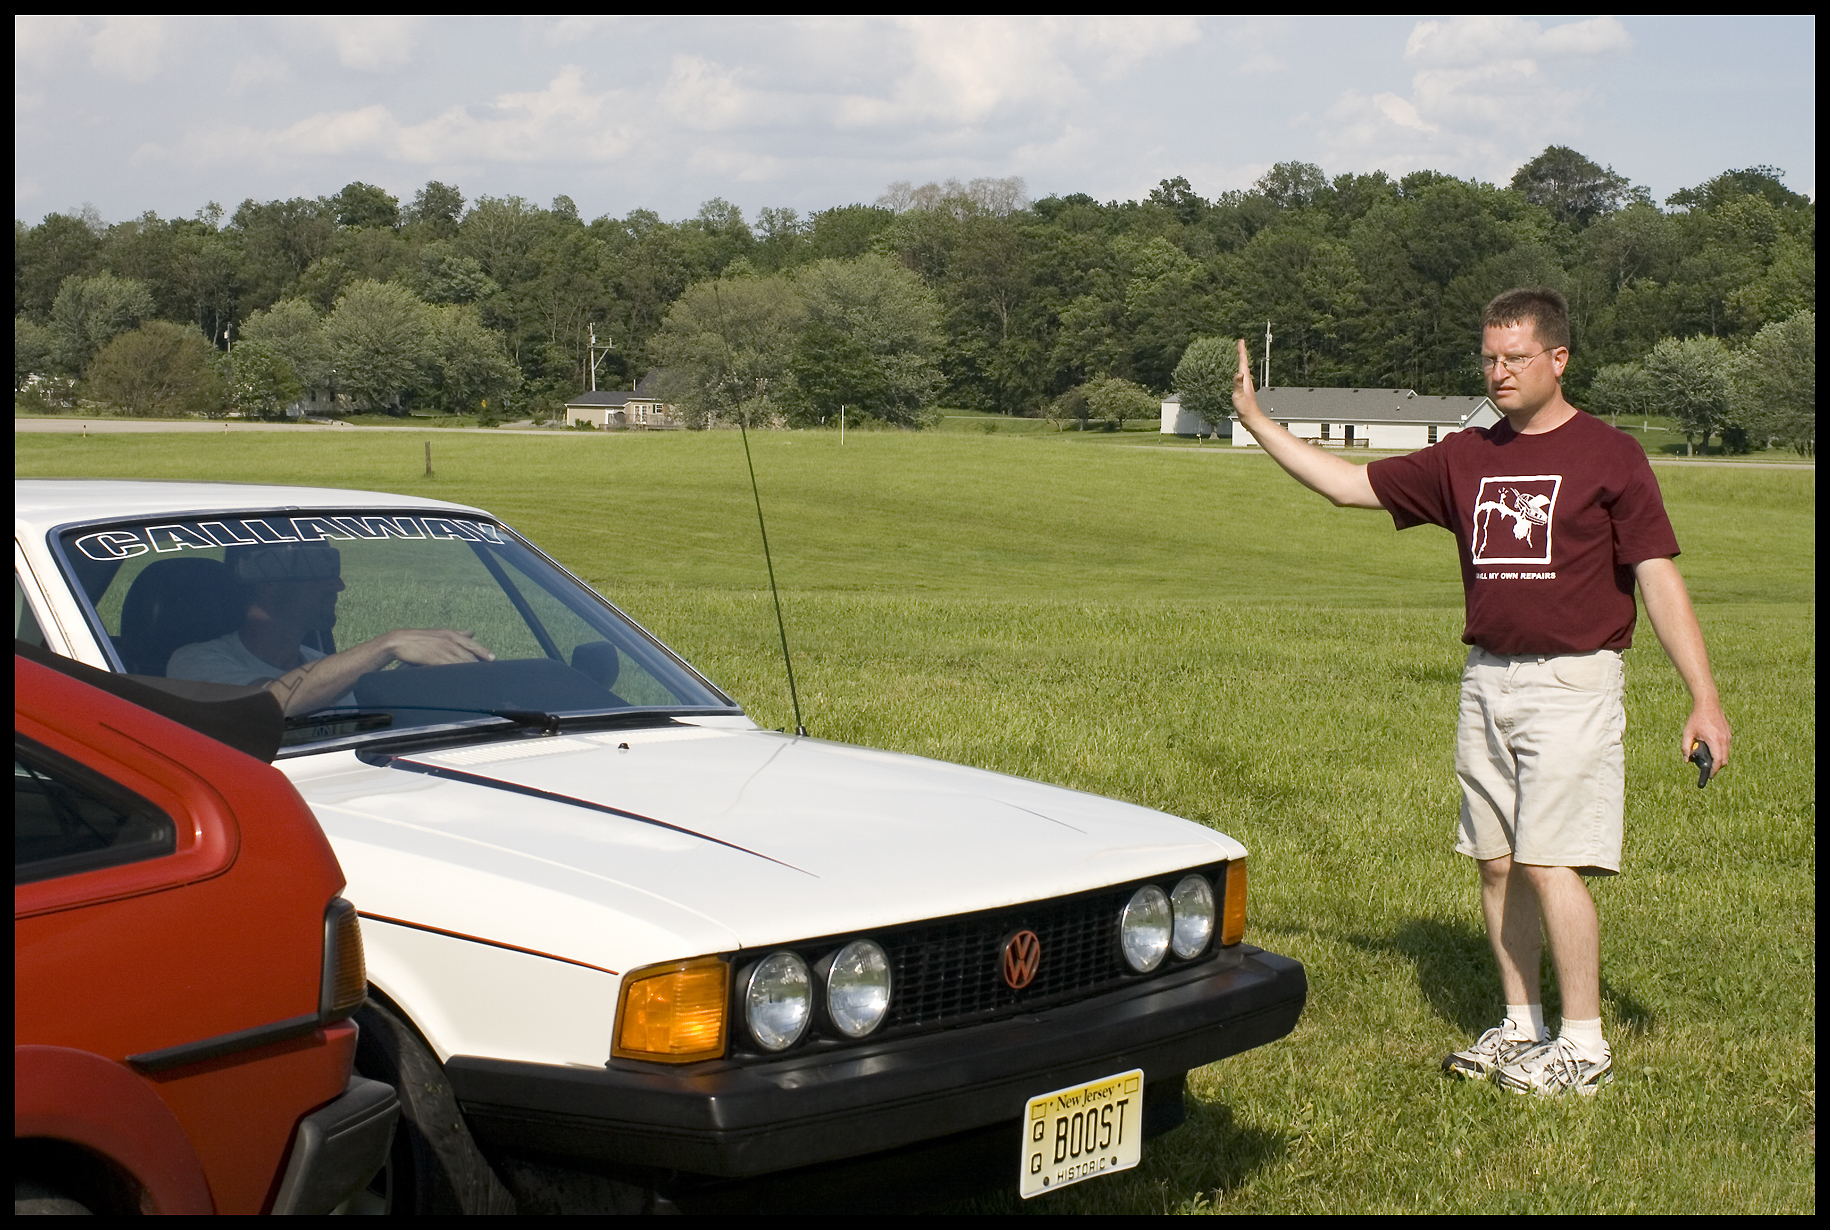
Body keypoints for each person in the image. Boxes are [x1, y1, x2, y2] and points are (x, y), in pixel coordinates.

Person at [1230, 287, 1731, 1097]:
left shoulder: (1610, 455)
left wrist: (1702, 696)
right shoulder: (1465, 456)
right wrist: (1257, 422)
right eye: (1489, 358)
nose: (1498, 372)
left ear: (1558, 359)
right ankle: (1521, 1025)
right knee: (1496, 862)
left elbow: (1658, 577)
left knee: (1549, 862)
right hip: (1487, 679)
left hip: (1573, 680)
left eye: (1515, 358)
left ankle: (1584, 1045)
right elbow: (1348, 486)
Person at [165, 543, 493, 716]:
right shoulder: (194, 663)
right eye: (315, 572)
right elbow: (272, 702)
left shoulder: (320, 663)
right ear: (265, 585)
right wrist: (389, 644)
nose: (337, 585)